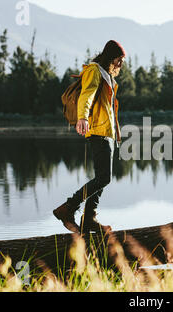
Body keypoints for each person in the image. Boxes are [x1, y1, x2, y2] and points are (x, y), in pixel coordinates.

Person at [53, 40, 126, 234]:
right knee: (104, 178)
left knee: (102, 177)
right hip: (98, 132)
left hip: (107, 133)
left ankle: (89, 218)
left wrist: (115, 133)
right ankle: (68, 208)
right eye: (119, 60)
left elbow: (109, 108)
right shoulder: (95, 71)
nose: (120, 64)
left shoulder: (107, 75)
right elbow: (87, 95)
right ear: (111, 57)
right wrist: (82, 117)